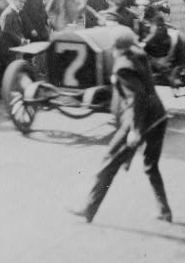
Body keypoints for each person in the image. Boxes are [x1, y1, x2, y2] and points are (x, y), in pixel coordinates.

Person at [69, 31, 172, 224]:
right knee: (151, 166)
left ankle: (89, 209)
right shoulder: (139, 58)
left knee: (109, 161)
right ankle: (165, 211)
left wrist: (135, 129)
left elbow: (137, 97)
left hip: (141, 120)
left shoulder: (122, 67)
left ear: (116, 49)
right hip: (159, 117)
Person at [0, 0, 28, 97]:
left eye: (23, 2)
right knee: (8, 70)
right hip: (4, 47)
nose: (22, 5)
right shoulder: (8, 13)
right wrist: (20, 39)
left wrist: (22, 38)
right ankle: (4, 93)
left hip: (8, 47)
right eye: (20, 2)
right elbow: (6, 31)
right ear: (14, 1)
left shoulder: (14, 12)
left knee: (3, 71)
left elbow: (16, 30)